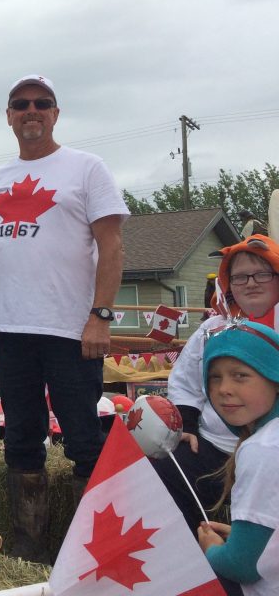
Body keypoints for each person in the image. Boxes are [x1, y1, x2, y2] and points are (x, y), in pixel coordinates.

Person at [0, 75, 128, 562]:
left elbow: (112, 246)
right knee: (21, 436)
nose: (31, 111)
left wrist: (100, 315)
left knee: (83, 436)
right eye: (21, 104)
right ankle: (30, 547)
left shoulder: (86, 167)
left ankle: (92, 546)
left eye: (42, 103)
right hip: (10, 329)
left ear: (56, 114)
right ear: (9, 116)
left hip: (70, 329)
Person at [159, 234, 279, 532]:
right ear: (228, 284)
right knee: (163, 471)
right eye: (240, 277)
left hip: (275, 449)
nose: (250, 283)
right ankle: (191, 554)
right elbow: (186, 382)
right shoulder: (212, 329)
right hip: (217, 445)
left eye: (261, 273)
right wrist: (186, 425)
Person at [197, 321, 279, 596]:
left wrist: (212, 551)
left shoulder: (264, 448)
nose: (224, 389)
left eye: (241, 375)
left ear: (275, 377)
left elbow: (242, 566)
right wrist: (244, 538)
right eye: (215, 377)